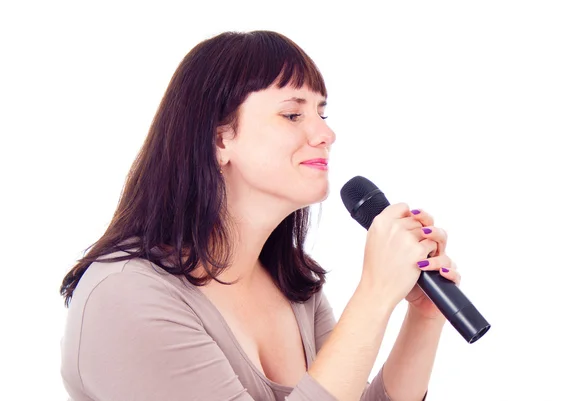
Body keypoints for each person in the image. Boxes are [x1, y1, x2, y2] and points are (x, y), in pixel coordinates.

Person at [59, 30, 461, 401]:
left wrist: (424, 318)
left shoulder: (295, 287)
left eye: (322, 113)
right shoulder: (126, 296)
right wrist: (373, 296)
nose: (325, 134)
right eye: (292, 115)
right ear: (220, 139)